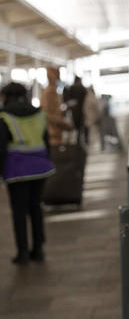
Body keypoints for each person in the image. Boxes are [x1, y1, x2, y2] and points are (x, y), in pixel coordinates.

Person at [0, 82, 55, 265]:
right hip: (40, 168)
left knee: (19, 211)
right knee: (35, 207)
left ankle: (22, 252)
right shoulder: (38, 113)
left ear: (6, 96)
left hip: (17, 171)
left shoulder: (5, 117)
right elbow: (46, 141)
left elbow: (1, 148)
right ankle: (38, 248)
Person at [40, 67, 71, 148]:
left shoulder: (51, 91)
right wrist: (64, 124)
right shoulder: (50, 92)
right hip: (53, 133)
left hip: (55, 132)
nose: (59, 77)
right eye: (57, 75)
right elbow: (48, 113)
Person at [63, 76, 87, 144]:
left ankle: (77, 142)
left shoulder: (72, 88)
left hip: (74, 111)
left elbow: (67, 100)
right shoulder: (82, 88)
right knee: (81, 128)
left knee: (76, 128)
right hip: (81, 111)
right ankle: (81, 142)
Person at [83, 86, 102, 150]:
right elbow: (97, 109)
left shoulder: (87, 98)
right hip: (93, 119)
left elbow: (84, 110)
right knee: (93, 134)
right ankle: (93, 147)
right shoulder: (92, 98)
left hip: (89, 119)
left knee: (91, 134)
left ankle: (92, 146)